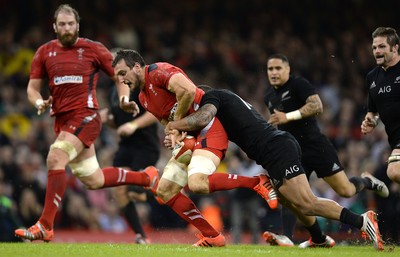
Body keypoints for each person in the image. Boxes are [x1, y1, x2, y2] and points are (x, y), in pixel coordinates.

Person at [165, 87, 385, 251]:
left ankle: (362, 221)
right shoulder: (226, 98)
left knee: (306, 202)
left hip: (276, 148)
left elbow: (203, 117)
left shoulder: (210, 97)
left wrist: (174, 126)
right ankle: (319, 239)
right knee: (290, 200)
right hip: (273, 150)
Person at [14, 4, 159, 242]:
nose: (67, 28)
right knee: (94, 179)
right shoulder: (44, 52)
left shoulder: (93, 49)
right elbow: (32, 89)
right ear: (54, 27)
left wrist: (123, 99)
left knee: (55, 156)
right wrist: (38, 102)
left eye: (71, 24)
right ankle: (146, 177)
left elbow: (118, 75)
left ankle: (45, 226)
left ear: (78, 25)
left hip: (87, 116)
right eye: (62, 24)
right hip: (63, 121)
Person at [111, 49, 277, 247]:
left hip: (207, 125)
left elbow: (189, 91)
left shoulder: (159, 71)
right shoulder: (144, 98)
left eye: (123, 73)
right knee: (165, 191)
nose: (121, 80)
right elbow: (167, 121)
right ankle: (213, 236)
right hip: (189, 135)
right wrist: (173, 135)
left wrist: (177, 124)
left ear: (137, 67)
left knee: (197, 183)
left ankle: (256, 182)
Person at [262, 54, 389, 247]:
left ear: (288, 69)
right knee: (291, 196)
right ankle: (296, 236)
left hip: (315, 146)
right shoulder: (269, 97)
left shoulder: (299, 85)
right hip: (294, 152)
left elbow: (317, 106)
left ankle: (366, 181)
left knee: (345, 190)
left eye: (278, 68)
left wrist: (289, 116)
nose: (274, 72)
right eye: (270, 69)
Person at [100, 85, 160, 244]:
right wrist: (109, 120)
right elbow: (118, 121)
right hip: (126, 146)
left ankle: (162, 186)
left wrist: (134, 125)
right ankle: (141, 235)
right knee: (119, 191)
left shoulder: (140, 88)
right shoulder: (113, 92)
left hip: (146, 147)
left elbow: (156, 112)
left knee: (136, 193)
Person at [361, 27, 400, 185]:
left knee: (393, 170)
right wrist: (371, 121)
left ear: (395, 48)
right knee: (394, 172)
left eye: (382, 46)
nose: (377, 51)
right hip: (395, 138)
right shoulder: (372, 77)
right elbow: (373, 111)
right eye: (374, 47)